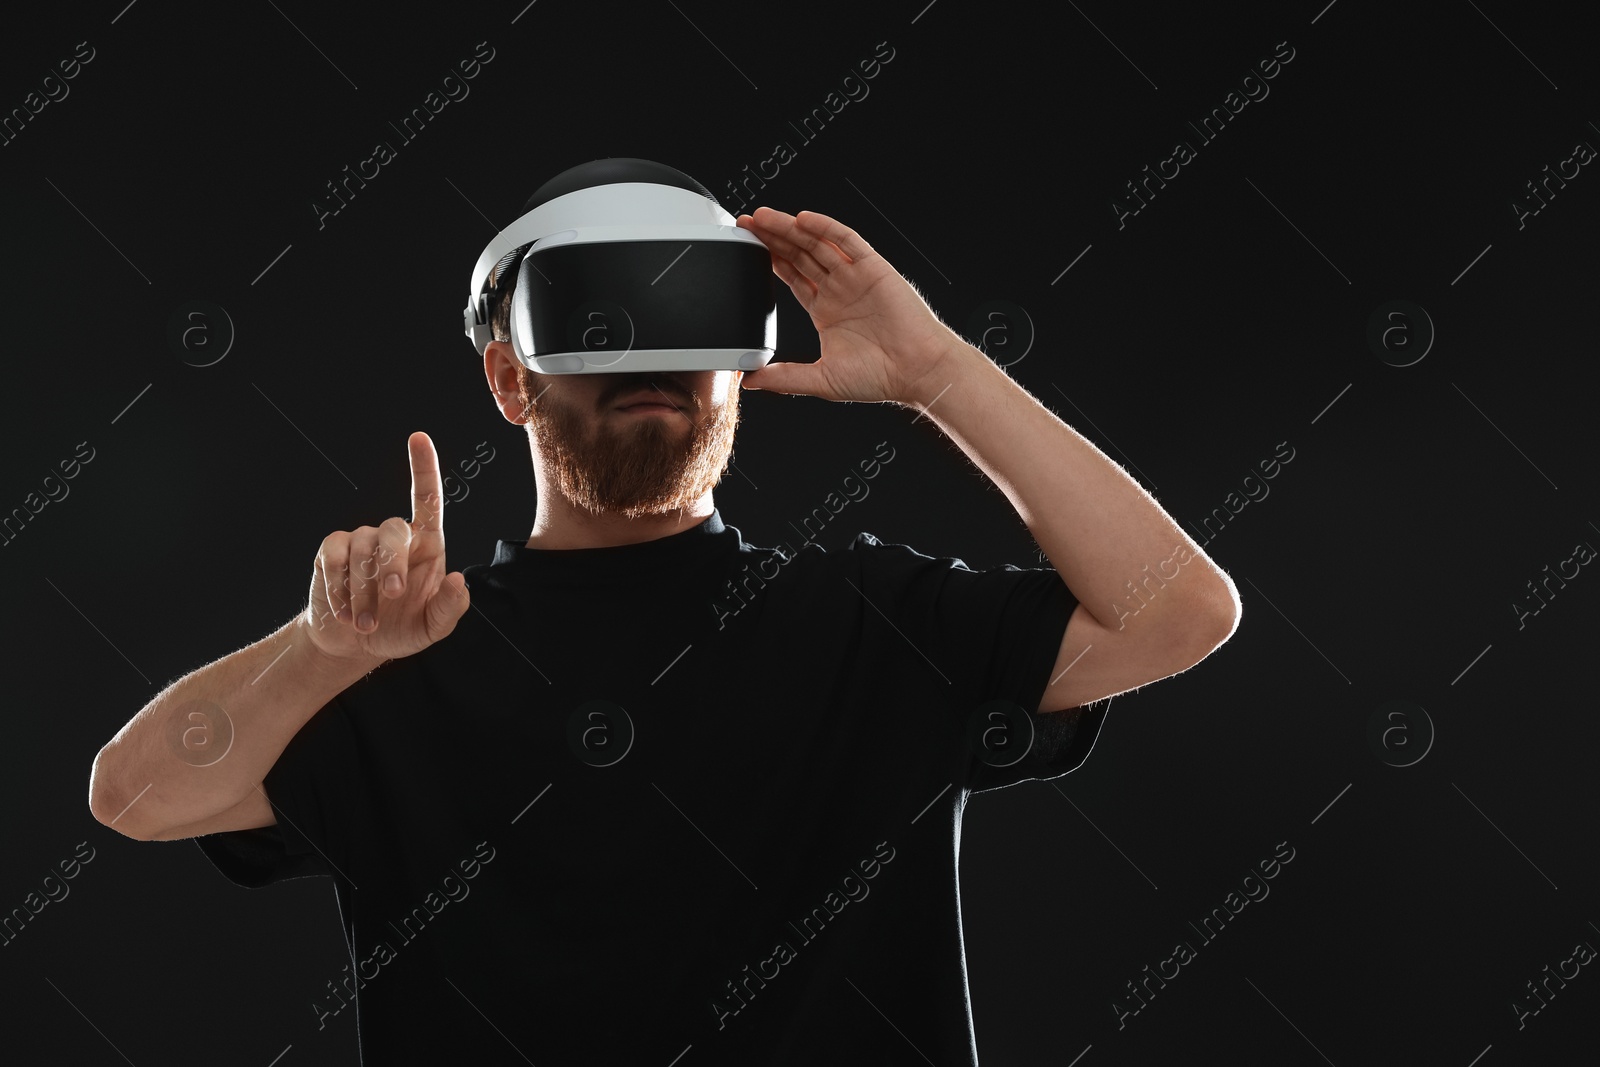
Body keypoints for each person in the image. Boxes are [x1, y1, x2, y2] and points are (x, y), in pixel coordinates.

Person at [88, 183, 1240, 1065]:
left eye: (692, 312)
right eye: (599, 318)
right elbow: (134, 796)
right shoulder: (399, 655)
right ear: (510, 377)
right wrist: (321, 648)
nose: (653, 358)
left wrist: (934, 369)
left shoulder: (872, 622)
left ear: (744, 363)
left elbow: (1178, 611)